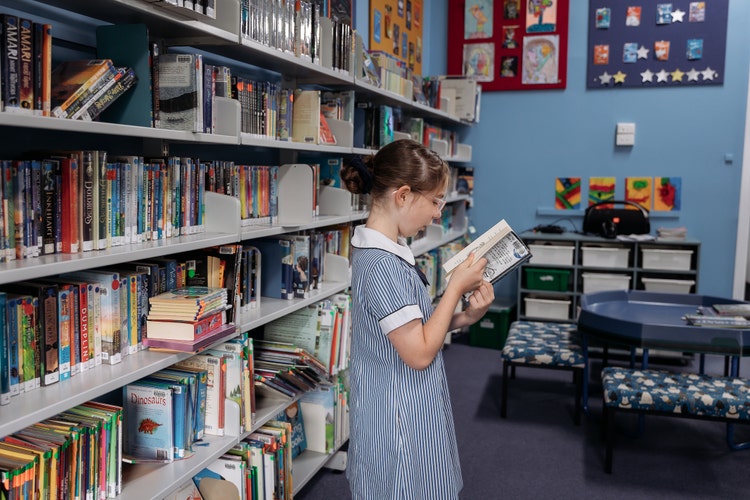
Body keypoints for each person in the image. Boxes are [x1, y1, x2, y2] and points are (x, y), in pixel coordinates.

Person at [340, 139, 495, 499]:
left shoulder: (389, 252)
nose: (439, 213)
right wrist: (455, 287)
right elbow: (419, 353)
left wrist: (465, 316)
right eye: (436, 201)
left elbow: (418, 326)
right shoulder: (380, 265)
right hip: (397, 417)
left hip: (408, 406)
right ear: (404, 196)